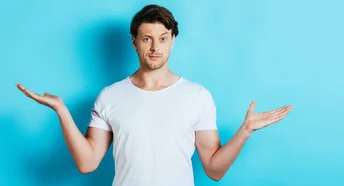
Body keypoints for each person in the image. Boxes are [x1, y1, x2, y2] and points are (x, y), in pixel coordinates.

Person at [15, 4, 293, 186]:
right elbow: (87, 163)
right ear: (134, 41)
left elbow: (214, 170)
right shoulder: (110, 96)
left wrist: (245, 131)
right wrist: (62, 111)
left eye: (162, 38)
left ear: (172, 40)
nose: (155, 47)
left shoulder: (197, 96)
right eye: (147, 38)